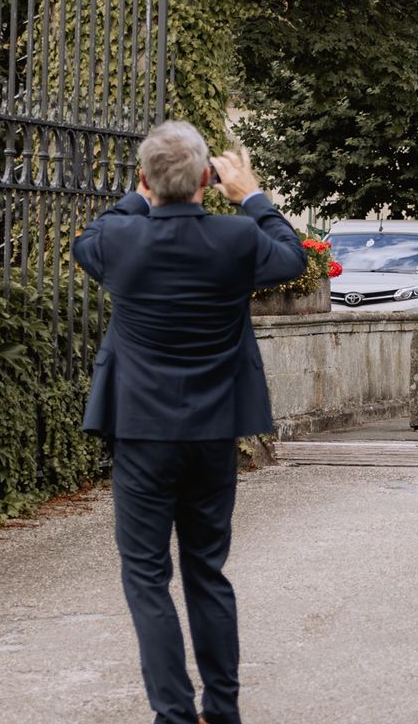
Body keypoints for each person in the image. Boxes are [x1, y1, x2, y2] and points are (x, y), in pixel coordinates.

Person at [73, 121, 305, 724]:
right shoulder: (235, 241)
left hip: (143, 433)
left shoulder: (121, 240)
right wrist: (251, 194)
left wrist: (142, 194)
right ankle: (222, 710)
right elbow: (291, 258)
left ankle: (173, 715)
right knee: (207, 570)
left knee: (147, 578)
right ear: (208, 178)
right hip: (213, 432)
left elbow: (88, 237)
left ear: (146, 180)